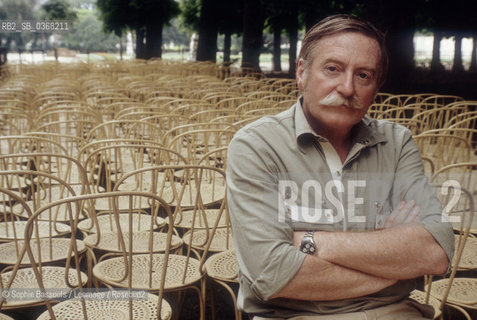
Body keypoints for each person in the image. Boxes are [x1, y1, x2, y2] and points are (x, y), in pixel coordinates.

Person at [226, 14, 454, 319]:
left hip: (393, 311)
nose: (347, 88)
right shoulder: (256, 145)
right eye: (333, 69)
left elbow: (435, 252)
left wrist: (310, 240)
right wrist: (395, 265)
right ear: (302, 73)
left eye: (363, 75)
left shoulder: (397, 142)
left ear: (375, 87)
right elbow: (272, 274)